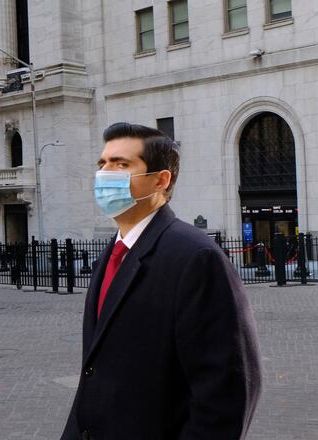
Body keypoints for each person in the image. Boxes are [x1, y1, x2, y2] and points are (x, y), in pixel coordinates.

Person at [61, 123, 262, 440]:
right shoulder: (108, 259)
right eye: (103, 163)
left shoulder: (196, 258)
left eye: (121, 164)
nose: (105, 173)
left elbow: (225, 397)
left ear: (160, 179)